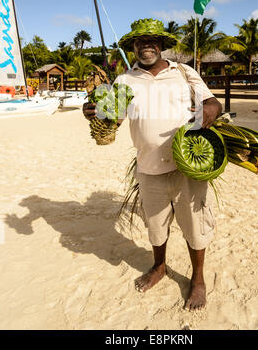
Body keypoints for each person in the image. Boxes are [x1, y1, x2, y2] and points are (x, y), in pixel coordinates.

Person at [83, 18, 222, 310]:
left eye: (152, 40)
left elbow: (213, 102)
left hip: (188, 166)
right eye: (139, 41)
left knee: (195, 225)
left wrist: (210, 108)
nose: (146, 45)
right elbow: (113, 120)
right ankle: (159, 267)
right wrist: (93, 112)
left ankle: (198, 278)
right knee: (156, 227)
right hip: (148, 167)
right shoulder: (124, 80)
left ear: (161, 45)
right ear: (133, 47)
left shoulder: (183, 72)